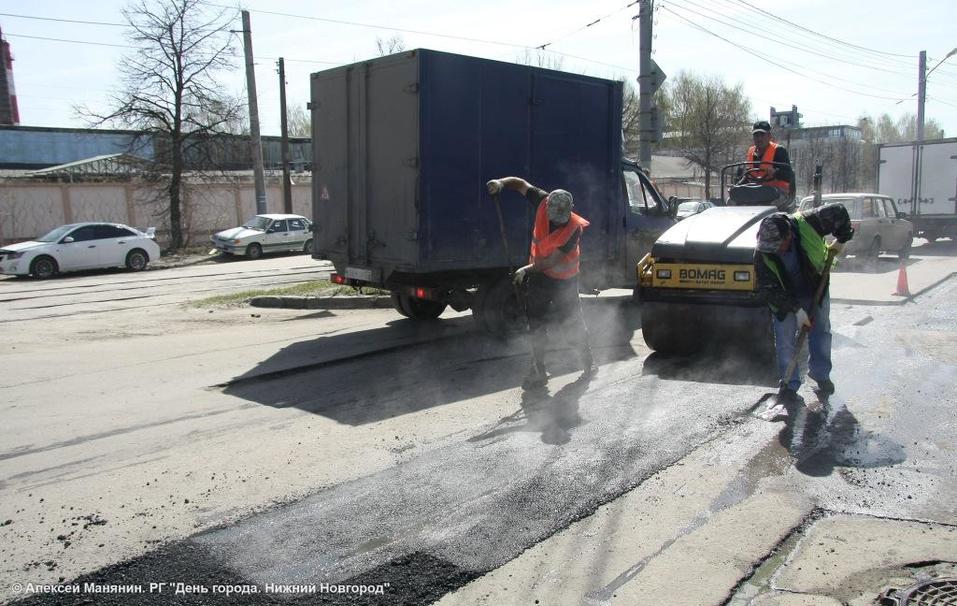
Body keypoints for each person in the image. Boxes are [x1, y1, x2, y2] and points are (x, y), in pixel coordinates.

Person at [486, 177, 595, 389]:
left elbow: (552, 261)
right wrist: (501, 183)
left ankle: (587, 359)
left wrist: (526, 270)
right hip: (540, 276)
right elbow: (519, 184)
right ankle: (538, 369)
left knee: (570, 322)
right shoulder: (544, 200)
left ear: (570, 211)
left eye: (560, 219)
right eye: (553, 218)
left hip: (565, 280)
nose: (556, 222)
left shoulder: (574, 228)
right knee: (535, 321)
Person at [754, 203, 854, 405]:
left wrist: (841, 239)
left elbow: (839, 212)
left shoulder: (809, 222)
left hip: (816, 285)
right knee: (784, 338)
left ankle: (820, 373)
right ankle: (789, 383)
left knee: (821, 330)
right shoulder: (762, 253)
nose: (775, 251)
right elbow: (769, 291)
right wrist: (797, 311)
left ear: (788, 235)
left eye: (778, 246)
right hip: (786, 296)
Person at [744, 120, 794, 202]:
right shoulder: (750, 151)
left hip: (777, 193)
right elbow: (748, 175)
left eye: (762, 135)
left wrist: (775, 172)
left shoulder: (779, 151)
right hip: (755, 192)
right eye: (756, 135)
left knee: (769, 207)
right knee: (733, 200)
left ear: (769, 136)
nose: (759, 138)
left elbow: (788, 175)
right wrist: (737, 185)